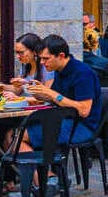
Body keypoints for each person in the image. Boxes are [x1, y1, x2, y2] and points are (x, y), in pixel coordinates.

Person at [21, 35, 100, 164]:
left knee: (19, 135)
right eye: (40, 58)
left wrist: (51, 93)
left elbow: (84, 110)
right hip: (64, 120)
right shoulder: (59, 70)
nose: (41, 62)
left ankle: (49, 178)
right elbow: (54, 99)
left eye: (46, 58)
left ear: (61, 56)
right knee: (13, 131)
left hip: (82, 126)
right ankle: (41, 176)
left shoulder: (83, 73)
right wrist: (36, 91)